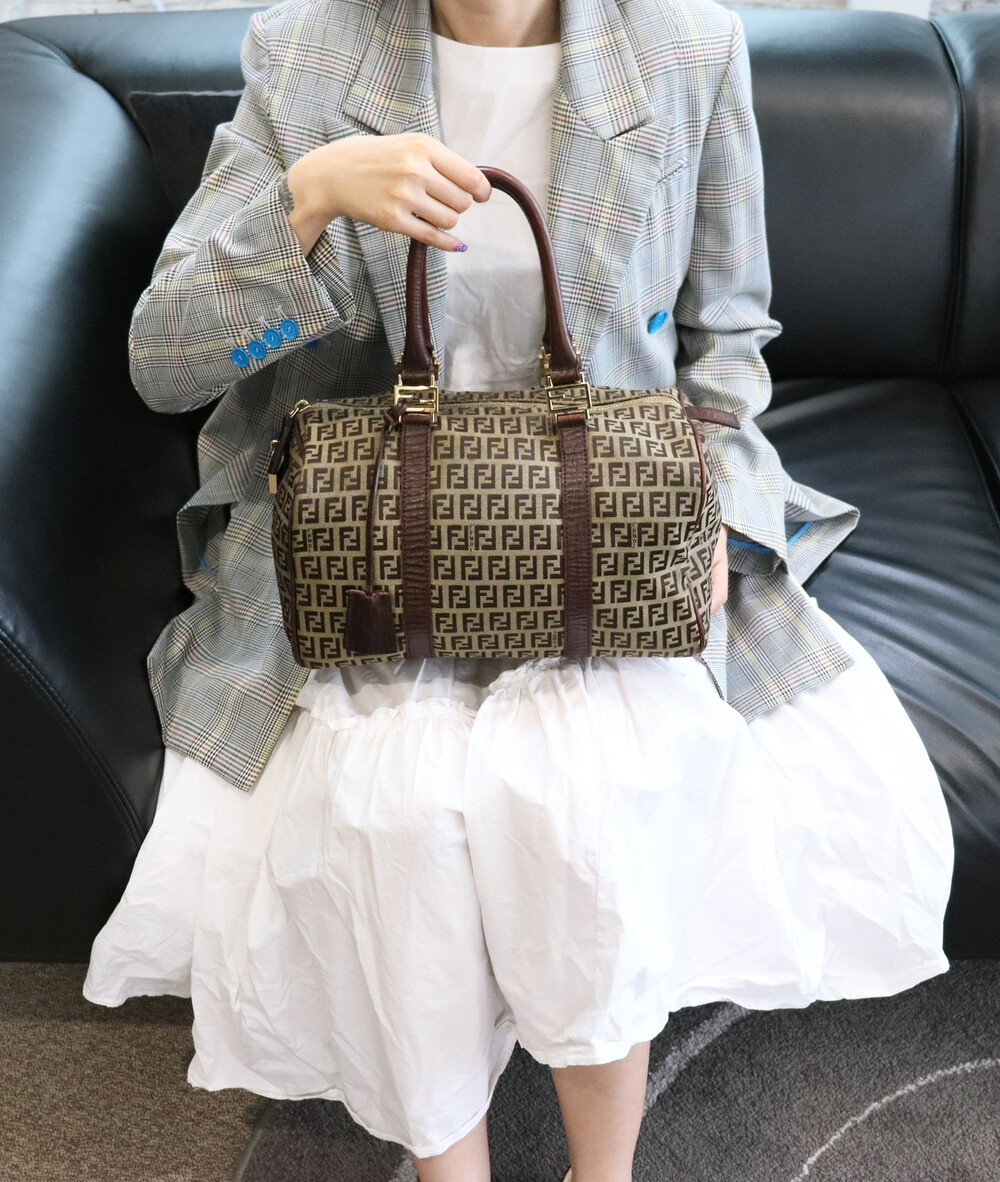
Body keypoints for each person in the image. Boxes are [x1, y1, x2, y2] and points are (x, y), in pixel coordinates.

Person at [83, 0, 956, 1179]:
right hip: (369, 535)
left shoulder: (686, 48)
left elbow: (725, 343)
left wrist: (714, 512)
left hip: (605, 526)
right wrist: (312, 197)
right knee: (394, 822)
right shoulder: (305, 54)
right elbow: (165, 364)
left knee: (587, 808)